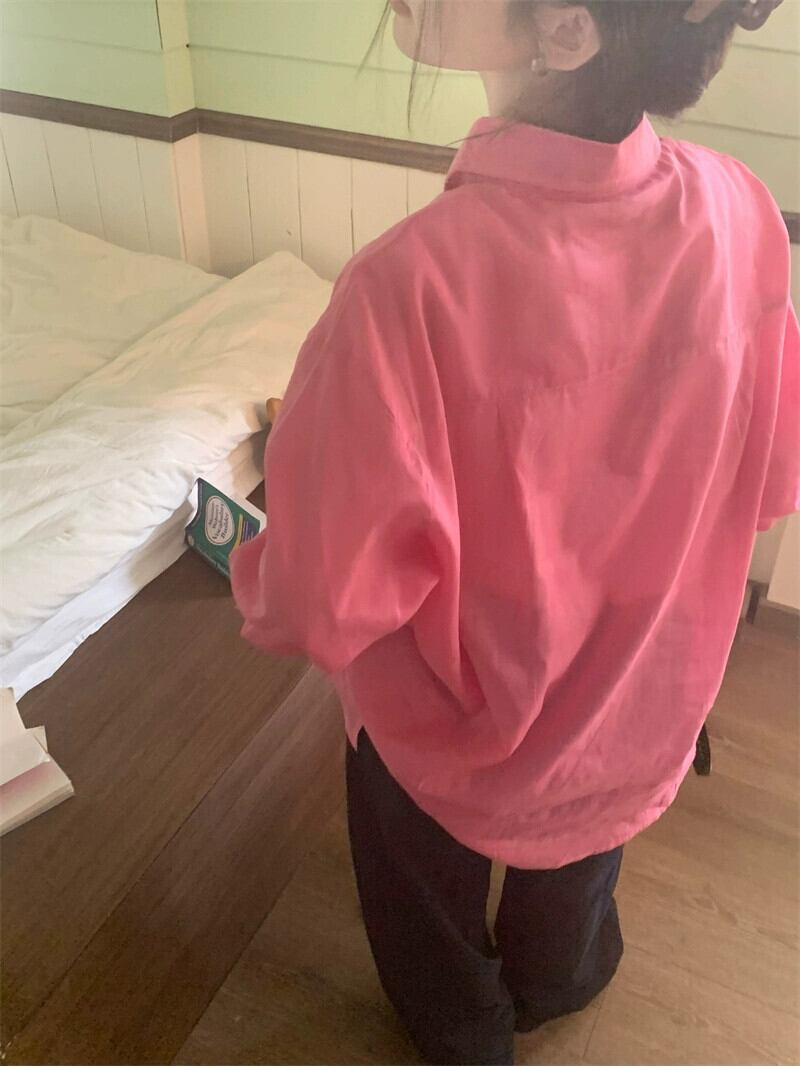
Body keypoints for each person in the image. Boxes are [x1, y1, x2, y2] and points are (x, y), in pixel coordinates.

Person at [229, 1, 798, 1062]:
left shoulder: (404, 290)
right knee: (584, 835)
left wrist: (261, 551)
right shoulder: (740, 211)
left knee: (421, 880)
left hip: (450, 725)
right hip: (641, 690)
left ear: (569, 31)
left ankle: (461, 1026)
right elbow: (765, 478)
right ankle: (560, 974)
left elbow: (313, 600)